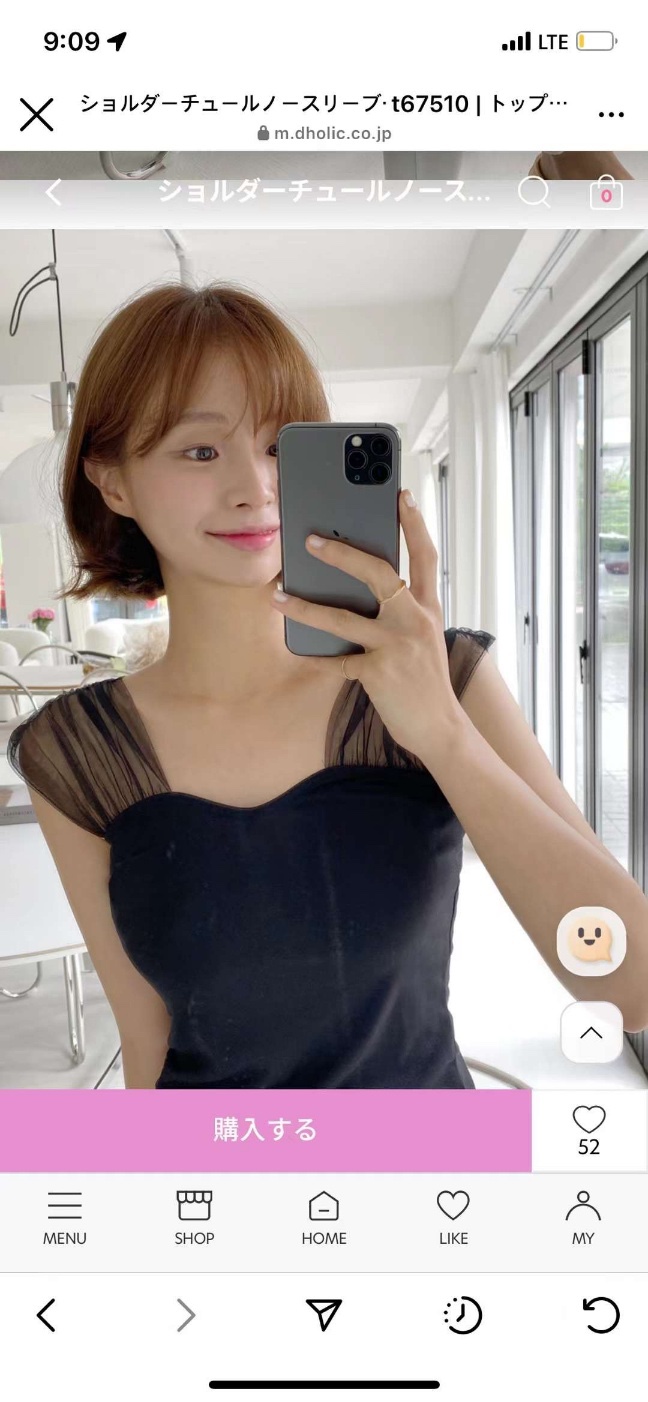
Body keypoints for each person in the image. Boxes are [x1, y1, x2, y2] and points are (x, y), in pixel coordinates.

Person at [8, 283, 648, 1090]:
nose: (255, 487)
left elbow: (628, 986)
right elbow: (147, 1043)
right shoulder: (78, 754)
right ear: (113, 482)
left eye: (282, 447)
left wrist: (442, 734)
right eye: (200, 451)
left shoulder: (444, 678)